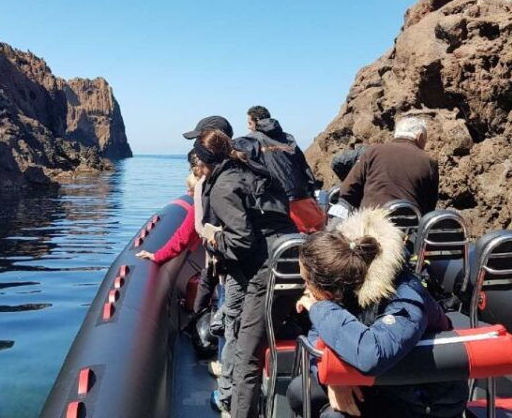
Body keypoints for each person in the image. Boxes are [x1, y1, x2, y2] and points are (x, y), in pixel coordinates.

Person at [287, 207, 467, 417]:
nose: (305, 289)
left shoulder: (404, 295)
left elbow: (372, 354)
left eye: (307, 281)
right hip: (381, 385)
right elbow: (318, 339)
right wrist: (333, 378)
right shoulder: (347, 283)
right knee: (300, 391)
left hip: (423, 400)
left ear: (330, 289)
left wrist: (319, 308)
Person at [197, 129, 296, 418]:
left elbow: (241, 242)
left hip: (267, 271)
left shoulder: (222, 188)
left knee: (246, 355)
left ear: (204, 163)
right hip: (292, 258)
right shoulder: (256, 171)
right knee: (266, 334)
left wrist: (214, 238)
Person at [244, 105, 324, 233]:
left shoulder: (251, 140)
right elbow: (303, 165)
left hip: (279, 203)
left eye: (249, 123)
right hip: (303, 198)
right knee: (318, 237)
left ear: (256, 122)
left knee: (293, 242)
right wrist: (312, 189)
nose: (248, 127)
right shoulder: (288, 138)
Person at [339, 116, 439, 215]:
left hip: (372, 224)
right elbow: (430, 206)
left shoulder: (373, 152)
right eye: (425, 139)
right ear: (420, 136)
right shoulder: (429, 162)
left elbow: (347, 191)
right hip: (410, 226)